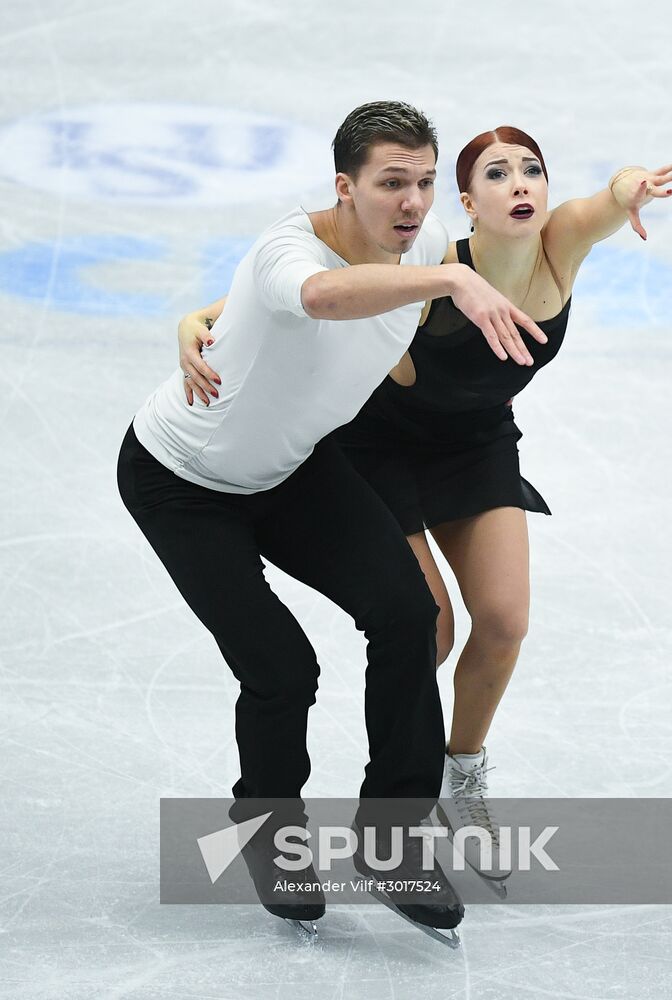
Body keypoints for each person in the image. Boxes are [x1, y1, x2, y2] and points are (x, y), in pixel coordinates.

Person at [177, 124, 672, 891]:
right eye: (497, 174)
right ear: (466, 203)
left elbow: (607, 198)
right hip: (377, 446)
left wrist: (631, 186)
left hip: (476, 447)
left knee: (505, 621)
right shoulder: (436, 263)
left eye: (531, 172)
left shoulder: (560, 245)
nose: (520, 185)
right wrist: (198, 318)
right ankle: (386, 807)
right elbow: (301, 293)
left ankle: (462, 774)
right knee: (430, 627)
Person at [117, 101, 548, 943]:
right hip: (182, 482)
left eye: (425, 183)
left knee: (407, 615)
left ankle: (392, 841)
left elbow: (527, 230)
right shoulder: (292, 249)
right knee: (282, 668)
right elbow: (316, 295)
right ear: (344, 188)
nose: (414, 203)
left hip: (293, 469)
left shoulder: (418, 247)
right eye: (393, 183)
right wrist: (451, 279)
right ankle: (269, 838)